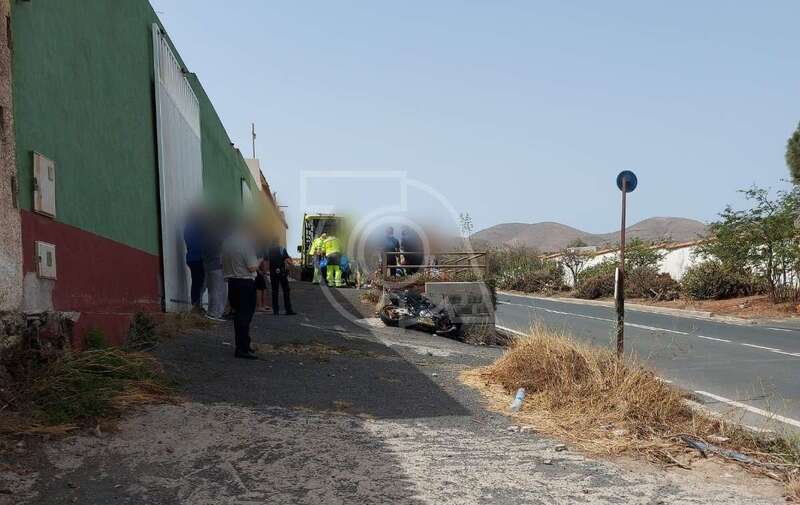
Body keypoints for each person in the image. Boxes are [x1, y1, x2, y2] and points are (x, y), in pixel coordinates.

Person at [221, 220, 260, 360]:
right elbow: (252, 267)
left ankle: (244, 345)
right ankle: (242, 348)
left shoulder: (226, 242)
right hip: (245, 283)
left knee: (238, 315)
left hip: (232, 283)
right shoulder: (245, 243)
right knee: (245, 316)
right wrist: (259, 261)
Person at [202, 214, 228, 322]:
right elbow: (221, 253)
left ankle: (214, 313)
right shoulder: (217, 237)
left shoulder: (207, 235)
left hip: (210, 266)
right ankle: (215, 314)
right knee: (218, 291)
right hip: (217, 267)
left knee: (214, 290)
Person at [184, 208, 206, 312]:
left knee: (196, 282)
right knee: (200, 283)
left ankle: (196, 305)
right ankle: (197, 306)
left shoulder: (188, 227)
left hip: (191, 258)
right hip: (199, 258)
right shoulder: (199, 227)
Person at [267, 241, 296, 315]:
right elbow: (287, 260)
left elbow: (266, 261)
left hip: (273, 272)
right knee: (286, 291)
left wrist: (265, 271)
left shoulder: (268, 249)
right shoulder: (281, 249)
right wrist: (292, 263)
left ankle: (275, 310)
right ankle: (288, 310)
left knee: (274, 291)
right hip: (282, 273)